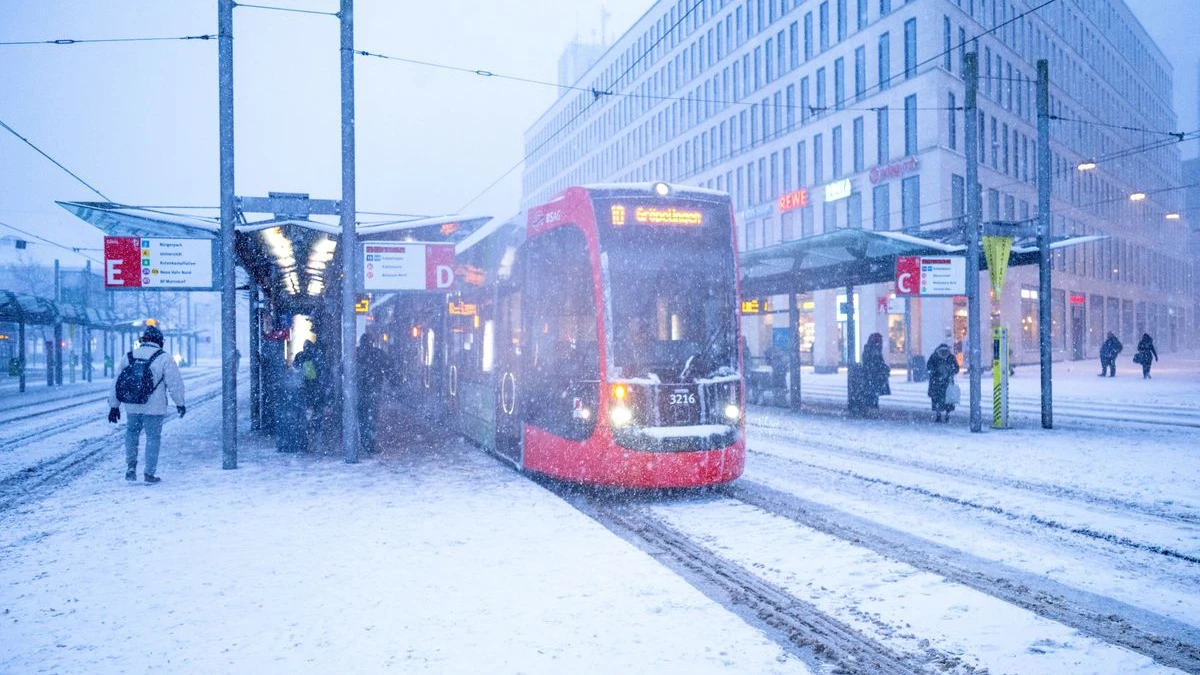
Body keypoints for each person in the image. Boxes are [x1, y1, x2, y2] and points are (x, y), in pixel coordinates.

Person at [106, 325, 186, 484]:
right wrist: (180, 403)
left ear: (144, 340)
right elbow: (174, 384)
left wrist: (114, 406)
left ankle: (130, 467)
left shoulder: (128, 356)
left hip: (132, 404)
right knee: (152, 438)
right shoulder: (164, 358)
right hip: (154, 407)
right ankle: (149, 473)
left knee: (131, 434)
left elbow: (117, 383)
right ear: (159, 341)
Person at [356, 331, 387, 454]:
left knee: (362, 417)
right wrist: (396, 383)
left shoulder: (356, 353)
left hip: (359, 391)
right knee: (371, 416)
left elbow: (343, 369)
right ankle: (370, 441)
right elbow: (389, 368)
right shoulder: (378, 354)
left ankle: (365, 439)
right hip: (373, 391)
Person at [925, 343, 960, 423]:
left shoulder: (934, 356)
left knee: (938, 399)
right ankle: (946, 415)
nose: (944, 353)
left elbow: (929, 367)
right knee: (947, 399)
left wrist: (935, 373)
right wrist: (951, 371)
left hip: (937, 382)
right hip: (946, 382)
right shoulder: (950, 357)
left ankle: (939, 415)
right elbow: (956, 368)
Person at [860, 333, 891, 409]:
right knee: (873, 392)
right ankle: (872, 406)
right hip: (873, 375)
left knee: (872, 391)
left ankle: (872, 405)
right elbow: (876, 362)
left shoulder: (872, 349)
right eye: (880, 340)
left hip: (872, 375)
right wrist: (882, 368)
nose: (881, 342)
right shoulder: (874, 349)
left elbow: (876, 362)